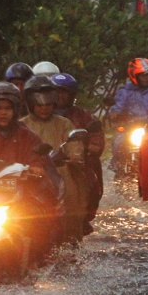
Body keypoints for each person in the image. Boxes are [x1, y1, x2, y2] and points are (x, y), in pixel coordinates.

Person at [0, 82, 60, 255]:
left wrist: (35, 169)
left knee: (41, 216)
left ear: (16, 110)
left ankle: (40, 254)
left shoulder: (27, 136)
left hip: (20, 194)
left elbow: (36, 157)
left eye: (8, 108)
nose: (3, 112)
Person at [21, 76, 88, 240]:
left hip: (59, 172)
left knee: (72, 200)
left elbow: (75, 147)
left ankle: (73, 237)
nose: (44, 109)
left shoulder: (64, 124)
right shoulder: (22, 125)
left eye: (48, 105)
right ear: (31, 104)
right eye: (39, 105)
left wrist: (71, 155)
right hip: (29, 174)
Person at [52, 72, 104, 233]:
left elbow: (97, 140)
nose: (60, 96)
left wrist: (87, 150)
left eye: (64, 92)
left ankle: (84, 217)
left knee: (92, 179)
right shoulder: (33, 118)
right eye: (56, 92)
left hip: (75, 164)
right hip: (48, 163)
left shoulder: (84, 116)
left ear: (72, 94)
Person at [109, 59, 148, 170]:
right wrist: (114, 112)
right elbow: (118, 104)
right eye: (143, 76)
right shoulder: (125, 91)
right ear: (134, 76)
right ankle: (119, 167)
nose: (146, 78)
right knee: (118, 142)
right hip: (129, 127)